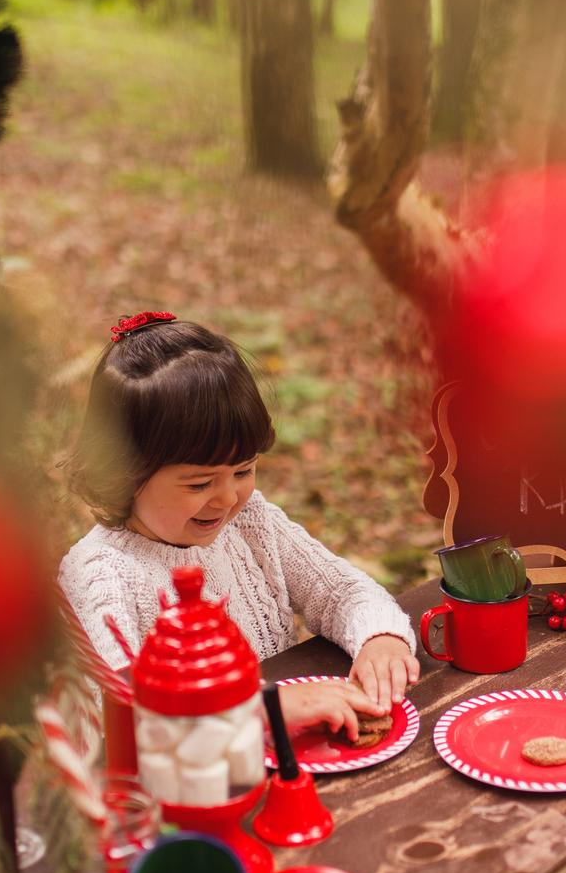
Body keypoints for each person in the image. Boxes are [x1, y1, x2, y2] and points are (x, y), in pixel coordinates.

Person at [59, 313, 420, 741]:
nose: (228, 498)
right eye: (199, 483)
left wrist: (380, 638)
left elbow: (340, 590)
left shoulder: (248, 523)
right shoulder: (100, 575)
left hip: (291, 755)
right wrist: (262, 710)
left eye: (244, 471)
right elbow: (123, 717)